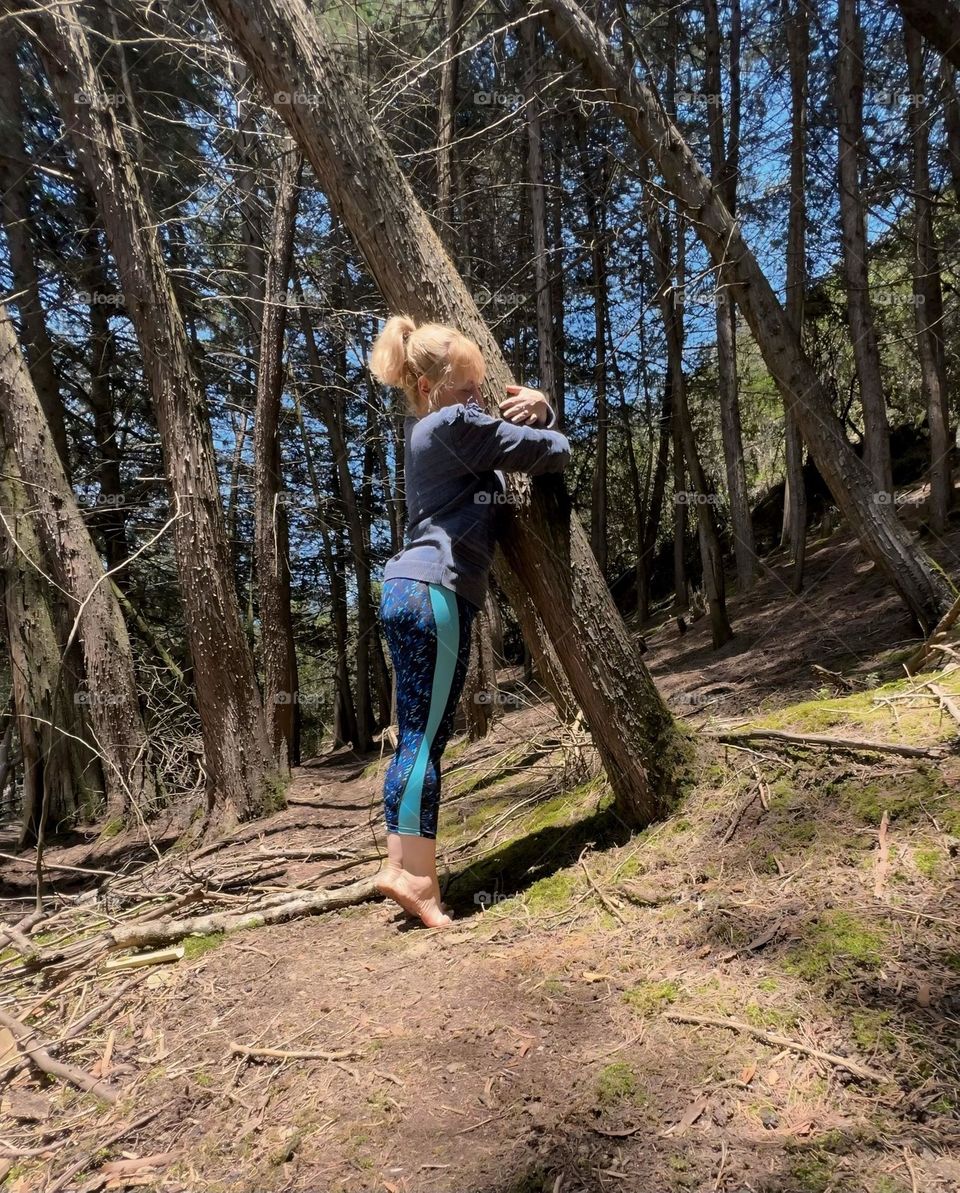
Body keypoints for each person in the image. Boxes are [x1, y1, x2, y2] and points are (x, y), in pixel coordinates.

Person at [367, 314, 571, 928]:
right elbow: (551, 453)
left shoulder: (425, 428)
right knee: (426, 741)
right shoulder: (455, 425)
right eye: (467, 390)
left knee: (413, 736)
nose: (479, 402)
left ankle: (400, 864)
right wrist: (543, 407)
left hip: (405, 588)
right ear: (432, 389)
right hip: (436, 594)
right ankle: (418, 881)